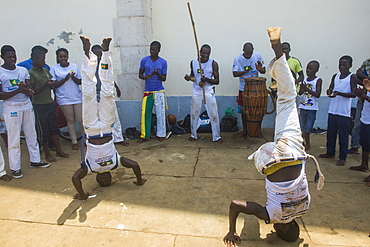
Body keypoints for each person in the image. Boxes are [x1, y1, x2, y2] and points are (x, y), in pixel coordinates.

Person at [223, 27, 324, 246]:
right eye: (275, 231)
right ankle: (278, 66)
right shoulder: (274, 217)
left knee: (288, 98)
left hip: (294, 152)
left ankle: (279, 55)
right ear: (282, 228)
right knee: (259, 157)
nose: (272, 229)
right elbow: (235, 204)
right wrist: (232, 231)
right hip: (268, 158)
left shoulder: (304, 206)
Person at [72, 36, 146, 200]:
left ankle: (87, 53)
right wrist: (139, 181)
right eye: (108, 181)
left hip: (91, 130)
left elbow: (75, 178)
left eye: (103, 181)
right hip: (106, 128)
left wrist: (83, 195)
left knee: (88, 93)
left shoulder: (90, 168)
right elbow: (134, 165)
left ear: (97, 178)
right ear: (112, 177)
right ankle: (105, 53)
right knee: (107, 93)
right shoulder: (115, 163)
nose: (105, 179)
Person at [0, 45, 50, 179]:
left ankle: (35, 160)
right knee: (14, 139)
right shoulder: (1, 72)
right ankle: (15, 168)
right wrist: (18, 90)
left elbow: (29, 88)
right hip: (11, 108)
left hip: (26, 106)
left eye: (14, 56)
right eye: (9, 57)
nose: (12, 59)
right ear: (2, 57)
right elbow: (0, 95)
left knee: (31, 134)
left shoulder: (22, 70)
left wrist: (27, 90)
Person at [29, 49, 69, 162]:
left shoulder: (46, 70)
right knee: (43, 130)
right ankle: (47, 153)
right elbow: (33, 91)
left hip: (50, 103)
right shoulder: (31, 73)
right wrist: (45, 84)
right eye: (42, 59)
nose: (44, 61)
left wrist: (51, 85)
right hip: (39, 105)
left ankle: (58, 150)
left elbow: (52, 84)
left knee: (54, 128)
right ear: (35, 60)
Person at [318, 56, 357, 166]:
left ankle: (343, 157)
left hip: (343, 112)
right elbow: (331, 89)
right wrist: (330, 92)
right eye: (340, 65)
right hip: (333, 110)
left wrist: (339, 93)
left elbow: (354, 94)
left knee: (343, 136)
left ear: (350, 65)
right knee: (331, 134)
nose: (342, 67)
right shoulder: (335, 76)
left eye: (345, 65)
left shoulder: (351, 77)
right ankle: (330, 152)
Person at [184, 44, 223, 144]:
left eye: (208, 53)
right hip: (197, 90)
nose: (206, 55)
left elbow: (217, 81)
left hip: (208, 91)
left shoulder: (213, 64)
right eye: (204, 53)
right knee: (194, 113)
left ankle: (216, 136)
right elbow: (193, 77)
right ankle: (193, 134)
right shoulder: (193, 62)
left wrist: (206, 80)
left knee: (213, 113)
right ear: (200, 52)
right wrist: (189, 78)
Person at [91, 44, 129, 146]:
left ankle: (118, 138)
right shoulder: (89, 67)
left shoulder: (105, 64)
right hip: (95, 96)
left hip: (107, 95)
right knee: (98, 119)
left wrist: (116, 87)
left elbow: (110, 77)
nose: (99, 58)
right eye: (96, 55)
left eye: (100, 55)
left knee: (114, 117)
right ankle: (102, 140)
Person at [50, 48, 84, 150]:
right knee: (70, 120)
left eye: (64, 56)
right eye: (61, 57)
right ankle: (74, 142)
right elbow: (53, 85)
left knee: (81, 119)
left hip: (77, 97)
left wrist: (72, 77)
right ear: (58, 57)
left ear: (68, 56)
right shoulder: (54, 68)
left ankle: (85, 139)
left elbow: (80, 81)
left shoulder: (74, 66)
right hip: (64, 98)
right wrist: (65, 78)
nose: (63, 58)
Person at [232, 42, 266, 137]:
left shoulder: (257, 56)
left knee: (257, 110)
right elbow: (234, 74)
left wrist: (260, 69)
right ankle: (245, 130)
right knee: (244, 110)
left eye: (250, 53)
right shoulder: (238, 58)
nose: (249, 55)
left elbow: (264, 70)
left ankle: (256, 130)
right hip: (244, 88)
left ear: (253, 50)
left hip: (256, 89)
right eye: (247, 54)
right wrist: (244, 72)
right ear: (243, 50)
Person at [138, 41, 167, 143]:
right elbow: (140, 74)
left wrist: (157, 74)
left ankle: (161, 134)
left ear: (159, 50)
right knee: (145, 113)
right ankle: (145, 135)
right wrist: (146, 77)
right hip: (148, 91)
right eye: (151, 49)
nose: (152, 51)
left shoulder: (163, 62)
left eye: (154, 49)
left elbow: (164, 78)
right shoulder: (144, 60)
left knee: (160, 114)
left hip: (159, 91)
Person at [298, 61, 322, 150]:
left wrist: (307, 89)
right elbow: (300, 93)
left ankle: (304, 143)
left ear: (316, 70)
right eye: (307, 68)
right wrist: (301, 89)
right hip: (303, 107)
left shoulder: (318, 80)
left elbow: (318, 94)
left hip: (312, 108)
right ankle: (305, 143)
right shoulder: (304, 79)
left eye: (311, 68)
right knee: (302, 126)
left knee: (308, 127)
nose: (308, 70)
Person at [348, 58, 370, 154]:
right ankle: (355, 146)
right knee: (358, 123)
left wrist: (365, 78)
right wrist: (366, 82)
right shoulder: (367, 62)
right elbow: (358, 75)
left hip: (365, 96)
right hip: (363, 97)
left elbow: (361, 76)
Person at [350, 81, 370, 185]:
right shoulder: (368, 86)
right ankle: (364, 165)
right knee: (365, 144)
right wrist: (361, 95)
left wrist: (364, 96)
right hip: (365, 119)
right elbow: (365, 101)